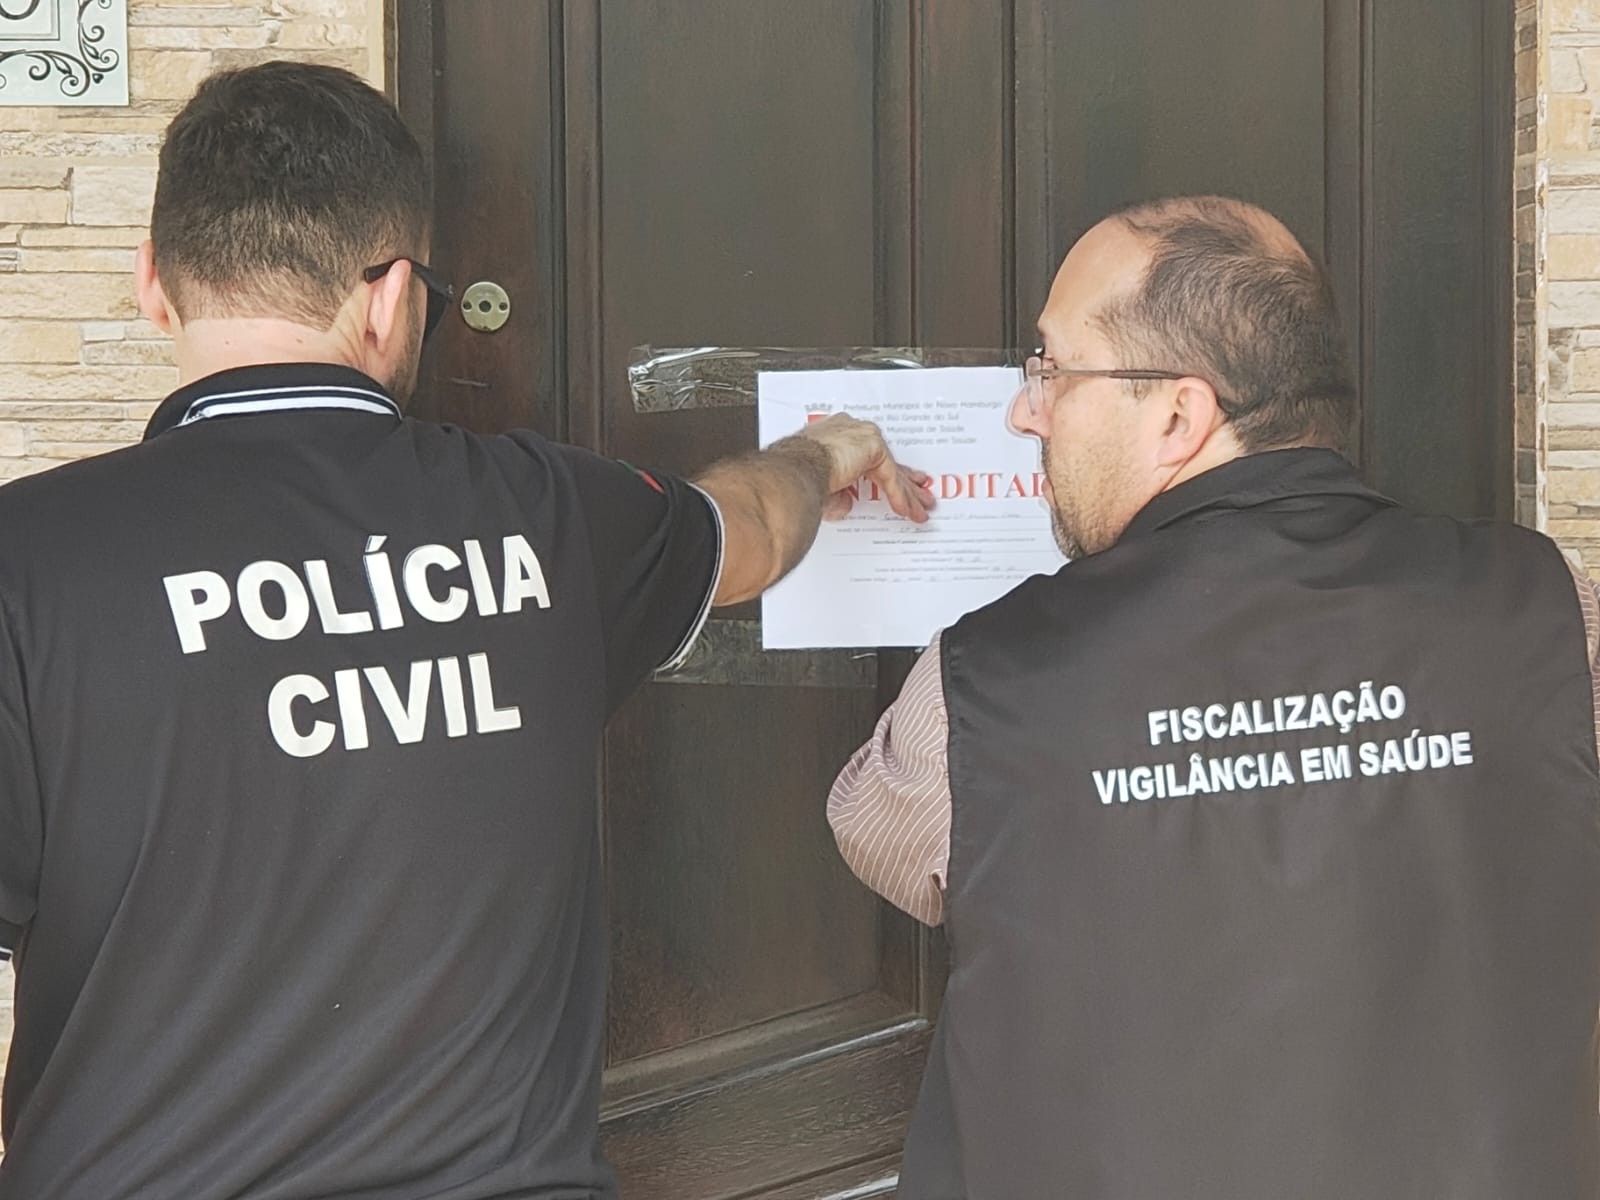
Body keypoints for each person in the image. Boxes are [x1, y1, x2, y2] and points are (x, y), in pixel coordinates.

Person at [0, 62, 931, 1200]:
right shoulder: (555, 516)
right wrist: (824, 450)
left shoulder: (25, 564)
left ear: (153, 284)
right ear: (392, 298)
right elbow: (749, 529)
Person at [830, 195, 1600, 1198]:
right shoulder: (1553, 608)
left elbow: (889, 843)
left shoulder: (980, 679)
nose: (1025, 410)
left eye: (1051, 368)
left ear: (1180, 416)